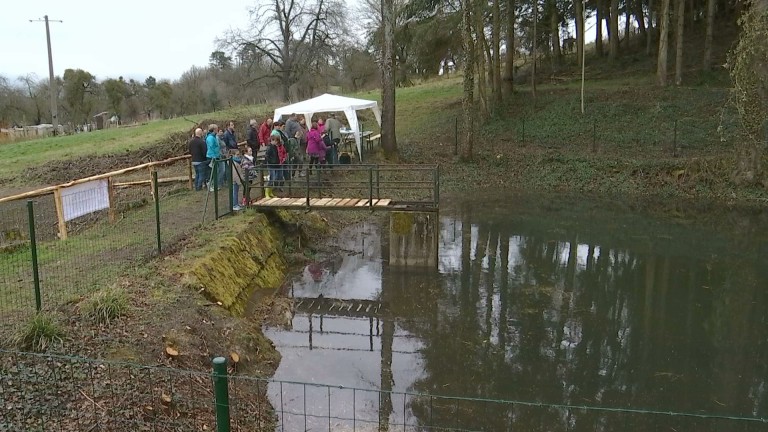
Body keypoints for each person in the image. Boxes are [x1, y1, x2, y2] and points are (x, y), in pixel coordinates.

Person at [205, 124, 225, 191]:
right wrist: (214, 157)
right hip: (212, 157)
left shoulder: (215, 137)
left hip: (217, 155)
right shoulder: (210, 138)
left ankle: (215, 184)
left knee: (218, 170)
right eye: (216, 129)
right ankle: (210, 185)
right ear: (213, 130)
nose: (217, 130)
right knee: (213, 171)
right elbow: (211, 147)